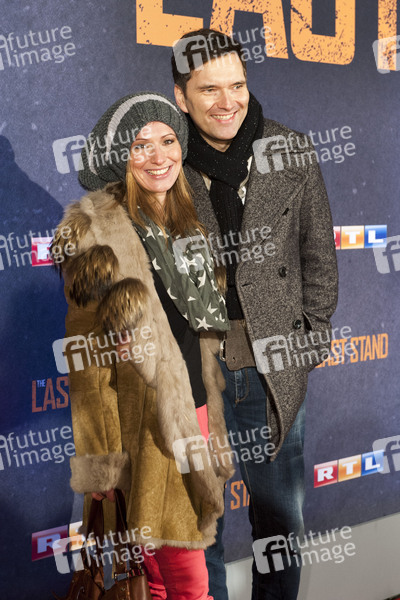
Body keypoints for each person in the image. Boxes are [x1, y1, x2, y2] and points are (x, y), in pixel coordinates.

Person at [171, 29, 339, 600]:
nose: (228, 102)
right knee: (202, 531)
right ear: (180, 96)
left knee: (280, 528)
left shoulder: (290, 150)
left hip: (274, 368)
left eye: (237, 85)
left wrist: (310, 340)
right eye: (209, 89)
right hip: (195, 374)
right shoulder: (163, 160)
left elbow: (319, 257)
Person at [51, 91, 235, 600]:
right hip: (147, 431)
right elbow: (89, 369)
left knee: (161, 582)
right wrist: (104, 463)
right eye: (141, 145)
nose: (159, 156)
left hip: (197, 413)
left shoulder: (185, 221)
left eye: (168, 140)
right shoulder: (95, 236)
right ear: (120, 157)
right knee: (188, 584)